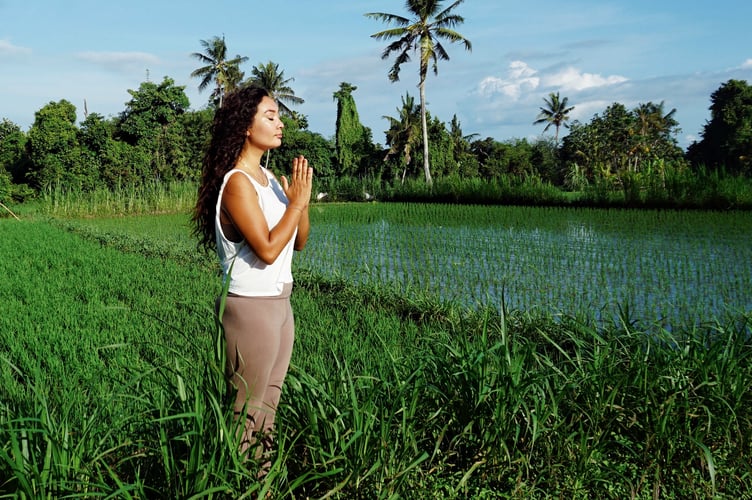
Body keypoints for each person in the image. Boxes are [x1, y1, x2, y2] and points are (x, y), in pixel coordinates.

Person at [192, 85, 313, 471]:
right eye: (270, 116)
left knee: (269, 408)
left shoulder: (269, 180)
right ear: (246, 125)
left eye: (279, 116)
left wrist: (300, 202)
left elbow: (298, 243)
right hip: (250, 309)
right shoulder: (238, 183)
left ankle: (262, 485)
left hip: (280, 304)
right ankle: (238, 483)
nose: (280, 123)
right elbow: (266, 248)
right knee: (246, 413)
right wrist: (294, 204)